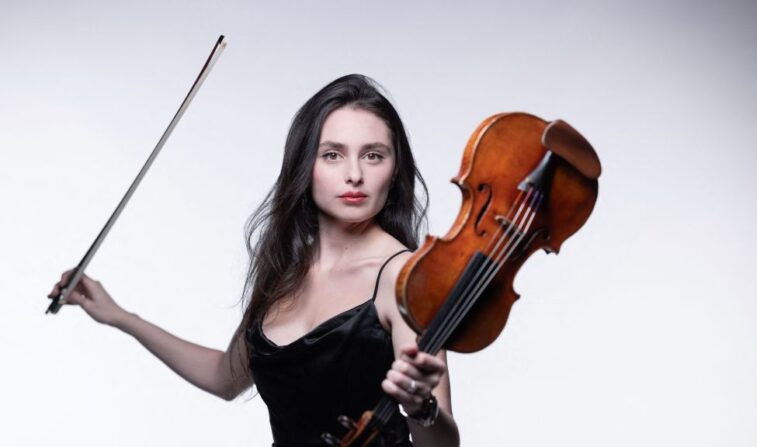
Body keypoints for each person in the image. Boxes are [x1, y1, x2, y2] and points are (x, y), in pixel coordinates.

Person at [48, 74, 460, 447]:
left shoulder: (407, 277)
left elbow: (442, 446)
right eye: (332, 154)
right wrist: (121, 316)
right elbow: (225, 378)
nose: (354, 174)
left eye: (373, 155)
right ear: (305, 165)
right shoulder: (286, 271)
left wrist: (421, 407)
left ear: (394, 167)